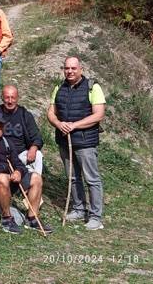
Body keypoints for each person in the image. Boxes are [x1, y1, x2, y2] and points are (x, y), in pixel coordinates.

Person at [47, 56, 106, 230]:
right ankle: (79, 209)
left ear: (81, 69)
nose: (70, 71)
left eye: (73, 68)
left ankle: (95, 217)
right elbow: (51, 112)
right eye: (67, 68)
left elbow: (99, 115)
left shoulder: (92, 87)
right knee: (73, 178)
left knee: (92, 179)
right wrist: (58, 124)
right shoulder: (59, 87)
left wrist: (75, 125)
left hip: (86, 141)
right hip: (64, 141)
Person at [0, 85, 44, 174]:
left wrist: (34, 147)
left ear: (17, 98)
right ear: (2, 98)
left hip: (20, 154)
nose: (10, 101)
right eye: (7, 98)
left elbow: (37, 137)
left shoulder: (25, 115)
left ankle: (35, 182)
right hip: (0, 154)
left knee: (38, 155)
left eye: (13, 98)